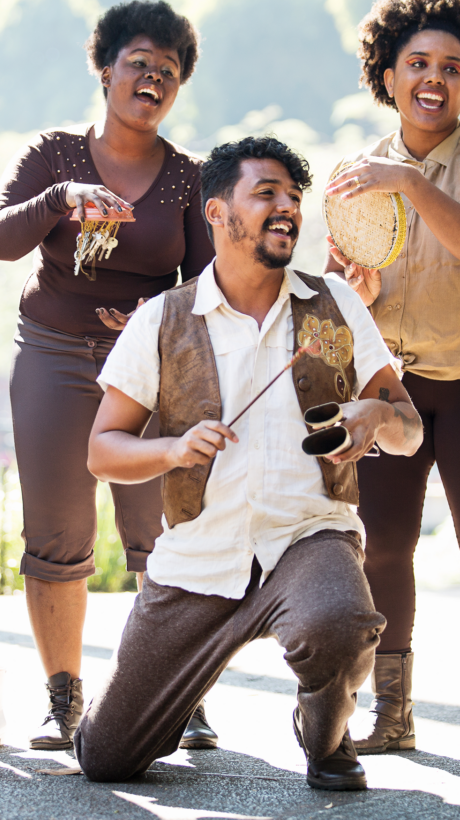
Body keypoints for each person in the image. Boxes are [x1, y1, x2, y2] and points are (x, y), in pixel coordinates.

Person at [74, 136, 423, 792]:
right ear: (216, 212)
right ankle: (152, 708)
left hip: (306, 538)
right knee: (107, 759)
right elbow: (103, 451)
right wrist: (170, 449)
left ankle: (324, 734)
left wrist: (375, 417)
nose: (286, 206)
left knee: (339, 623)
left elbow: (406, 431)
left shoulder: (336, 304)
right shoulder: (161, 320)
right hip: (197, 560)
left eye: (293, 197)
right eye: (266, 193)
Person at [0, 0, 215, 750]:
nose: (152, 79)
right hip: (53, 355)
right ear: (106, 69)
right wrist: (57, 202)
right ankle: (63, 701)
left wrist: (151, 321)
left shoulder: (188, 179)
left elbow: (203, 292)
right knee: (57, 534)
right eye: (139, 63)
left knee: (162, 534)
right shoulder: (53, 156)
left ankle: (176, 693)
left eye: (168, 72)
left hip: (146, 373)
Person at [323, 0, 460, 754]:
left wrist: (411, 182)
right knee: (382, 549)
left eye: (450, 65)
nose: (432, 79)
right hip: (390, 392)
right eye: (417, 63)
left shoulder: (402, 175)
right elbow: (336, 303)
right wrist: (354, 291)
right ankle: (391, 713)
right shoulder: (356, 174)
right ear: (387, 74)